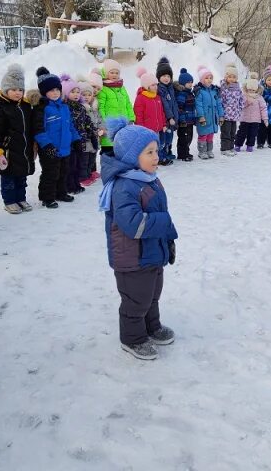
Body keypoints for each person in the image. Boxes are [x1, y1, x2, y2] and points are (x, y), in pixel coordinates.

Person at [99, 118, 179, 360]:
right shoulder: (124, 186)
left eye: (156, 150)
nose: (157, 156)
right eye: (150, 152)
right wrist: (164, 223)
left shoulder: (147, 178)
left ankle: (151, 327)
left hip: (151, 251)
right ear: (133, 157)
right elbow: (133, 224)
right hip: (132, 257)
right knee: (136, 300)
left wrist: (169, 239)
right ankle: (132, 339)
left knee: (152, 294)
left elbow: (160, 213)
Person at [0, 63, 36, 214]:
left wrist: (33, 145)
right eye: (14, 89)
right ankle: (9, 201)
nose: (17, 93)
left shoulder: (25, 106)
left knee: (22, 176)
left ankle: (21, 198)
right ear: (5, 89)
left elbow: (31, 126)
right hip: (8, 149)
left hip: (23, 148)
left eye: (20, 89)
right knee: (8, 177)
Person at [33, 68, 80, 209]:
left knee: (63, 172)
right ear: (44, 92)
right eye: (51, 90)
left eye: (57, 90)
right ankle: (47, 197)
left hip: (65, 147)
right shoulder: (42, 108)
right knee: (50, 173)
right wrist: (46, 145)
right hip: (50, 148)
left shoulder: (64, 107)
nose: (55, 93)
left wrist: (76, 139)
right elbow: (38, 130)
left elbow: (70, 125)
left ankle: (61, 192)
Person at [61, 74, 95, 195]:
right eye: (72, 92)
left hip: (82, 139)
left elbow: (87, 120)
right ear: (65, 93)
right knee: (70, 164)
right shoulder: (65, 107)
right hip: (70, 141)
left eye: (77, 92)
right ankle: (69, 185)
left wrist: (91, 131)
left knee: (79, 162)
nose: (76, 94)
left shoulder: (80, 107)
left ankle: (76, 183)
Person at [98, 59, 134, 156]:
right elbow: (100, 108)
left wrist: (131, 118)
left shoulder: (122, 87)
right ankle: (108, 170)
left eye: (117, 73)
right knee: (109, 152)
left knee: (121, 150)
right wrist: (103, 124)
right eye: (112, 72)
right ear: (106, 73)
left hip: (123, 125)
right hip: (109, 127)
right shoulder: (103, 89)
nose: (114, 75)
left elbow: (128, 104)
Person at [194, 66, 225, 159]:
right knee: (203, 134)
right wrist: (201, 116)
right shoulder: (200, 91)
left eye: (211, 78)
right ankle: (202, 151)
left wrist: (221, 116)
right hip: (204, 117)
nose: (209, 80)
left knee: (210, 135)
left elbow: (219, 104)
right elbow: (198, 105)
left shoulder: (215, 91)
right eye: (206, 78)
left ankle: (209, 150)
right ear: (202, 80)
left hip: (213, 117)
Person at [79, 80, 104, 187]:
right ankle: (83, 177)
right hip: (85, 139)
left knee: (92, 158)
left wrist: (101, 128)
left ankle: (90, 173)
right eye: (84, 94)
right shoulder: (81, 108)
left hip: (94, 138)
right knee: (84, 159)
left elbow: (99, 119)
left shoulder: (94, 108)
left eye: (89, 95)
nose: (86, 97)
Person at [235, 74, 268, 152]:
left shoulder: (259, 98)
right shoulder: (243, 96)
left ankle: (250, 145)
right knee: (241, 133)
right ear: (247, 88)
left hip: (255, 120)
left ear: (256, 89)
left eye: (253, 90)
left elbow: (263, 108)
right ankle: (238, 144)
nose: (251, 91)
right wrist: (247, 102)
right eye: (250, 89)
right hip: (245, 119)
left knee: (253, 133)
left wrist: (265, 119)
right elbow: (240, 105)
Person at [133, 67, 166, 143]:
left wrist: (163, 124)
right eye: (153, 85)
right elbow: (138, 115)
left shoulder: (157, 97)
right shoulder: (141, 98)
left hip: (157, 130)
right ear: (147, 87)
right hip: (146, 131)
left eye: (156, 84)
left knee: (156, 147)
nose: (156, 87)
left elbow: (161, 112)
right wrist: (141, 129)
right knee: (148, 148)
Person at [156, 57, 179, 165]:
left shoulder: (170, 87)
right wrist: (170, 117)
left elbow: (173, 102)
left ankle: (168, 151)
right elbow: (164, 104)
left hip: (172, 119)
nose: (166, 78)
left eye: (168, 76)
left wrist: (175, 116)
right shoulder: (160, 89)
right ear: (158, 77)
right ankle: (161, 156)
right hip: (165, 119)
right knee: (163, 138)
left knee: (170, 138)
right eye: (163, 76)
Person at [219, 63, 244, 156]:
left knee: (233, 133)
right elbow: (221, 101)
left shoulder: (238, 88)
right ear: (226, 77)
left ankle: (230, 147)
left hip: (234, 115)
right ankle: (224, 149)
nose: (232, 79)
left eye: (234, 77)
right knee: (226, 132)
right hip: (226, 116)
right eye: (229, 76)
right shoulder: (224, 88)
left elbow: (241, 99)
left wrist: (240, 108)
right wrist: (221, 113)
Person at [174, 68, 197, 162]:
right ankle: (182, 154)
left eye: (191, 82)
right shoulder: (181, 94)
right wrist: (182, 119)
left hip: (190, 121)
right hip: (184, 122)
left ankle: (186, 152)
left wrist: (194, 118)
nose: (190, 84)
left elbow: (192, 108)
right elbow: (180, 108)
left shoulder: (190, 93)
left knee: (189, 137)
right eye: (188, 82)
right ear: (183, 83)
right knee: (183, 138)